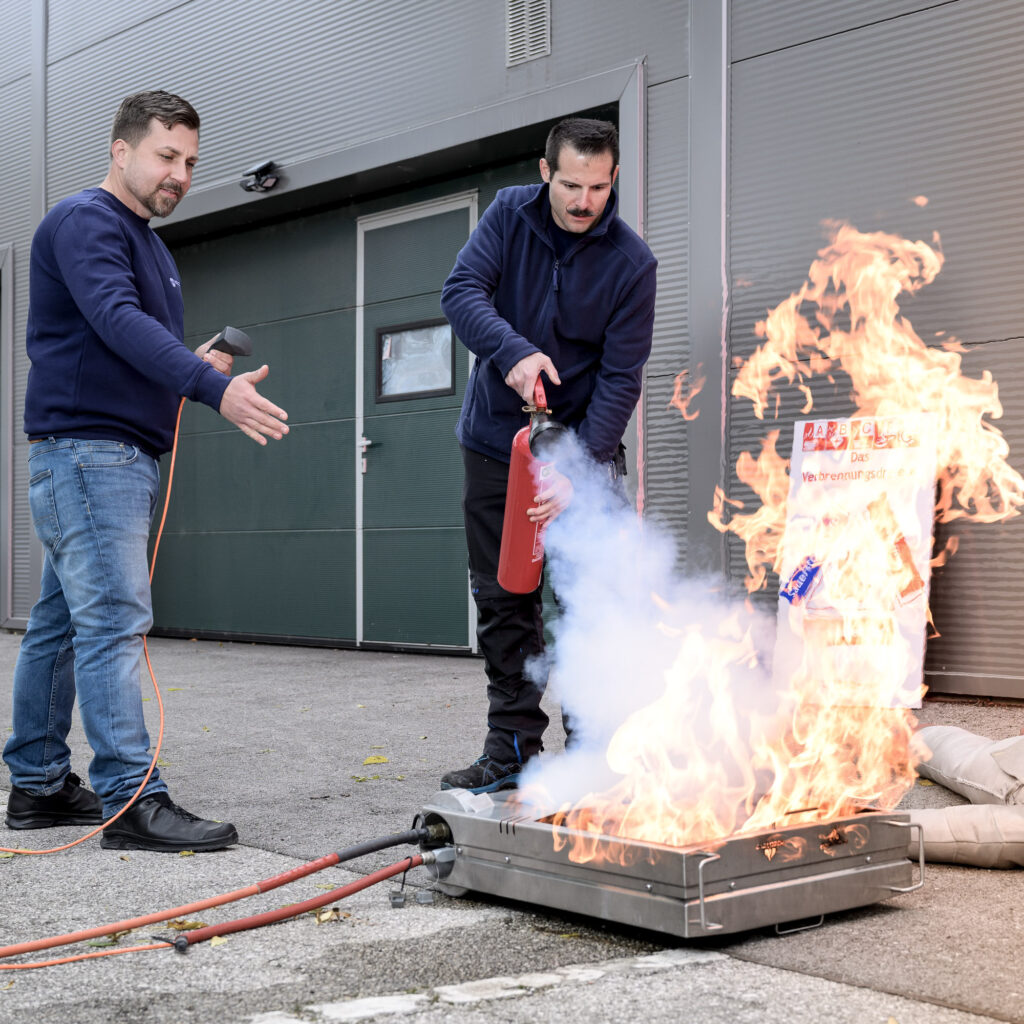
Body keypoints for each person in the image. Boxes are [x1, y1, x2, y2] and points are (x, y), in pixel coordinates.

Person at [3, 90, 290, 852]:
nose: (180, 174)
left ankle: (34, 785)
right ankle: (133, 797)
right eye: (167, 156)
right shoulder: (85, 221)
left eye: (191, 162)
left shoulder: (150, 246)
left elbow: (119, 345)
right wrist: (212, 388)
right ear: (120, 149)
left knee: (62, 626)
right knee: (112, 624)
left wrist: (190, 368)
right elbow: (116, 320)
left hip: (104, 454)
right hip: (90, 454)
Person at [438, 117, 657, 794]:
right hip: (495, 445)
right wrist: (512, 351)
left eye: (597, 186)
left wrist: (579, 471)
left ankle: (594, 756)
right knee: (505, 600)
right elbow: (461, 293)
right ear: (545, 173)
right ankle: (512, 751)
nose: (583, 201)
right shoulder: (508, 217)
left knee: (589, 601)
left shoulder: (632, 264)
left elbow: (622, 379)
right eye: (570, 184)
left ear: (613, 178)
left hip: (583, 448)